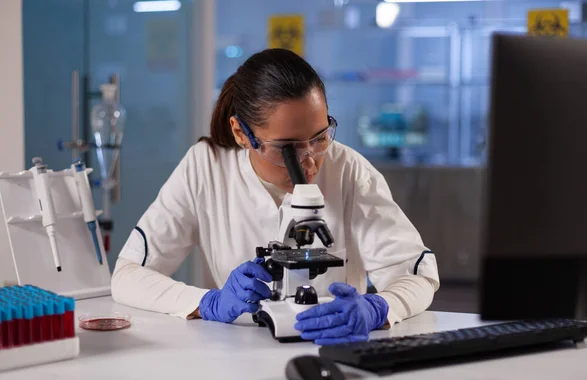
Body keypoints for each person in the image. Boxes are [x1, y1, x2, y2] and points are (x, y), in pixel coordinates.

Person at [112, 48, 440, 345]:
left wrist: (378, 308)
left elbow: (418, 276)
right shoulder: (206, 167)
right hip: (234, 360)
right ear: (242, 134)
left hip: (330, 354)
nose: (309, 161)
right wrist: (206, 303)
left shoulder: (348, 170)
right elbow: (127, 277)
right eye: (288, 148)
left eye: (320, 137)